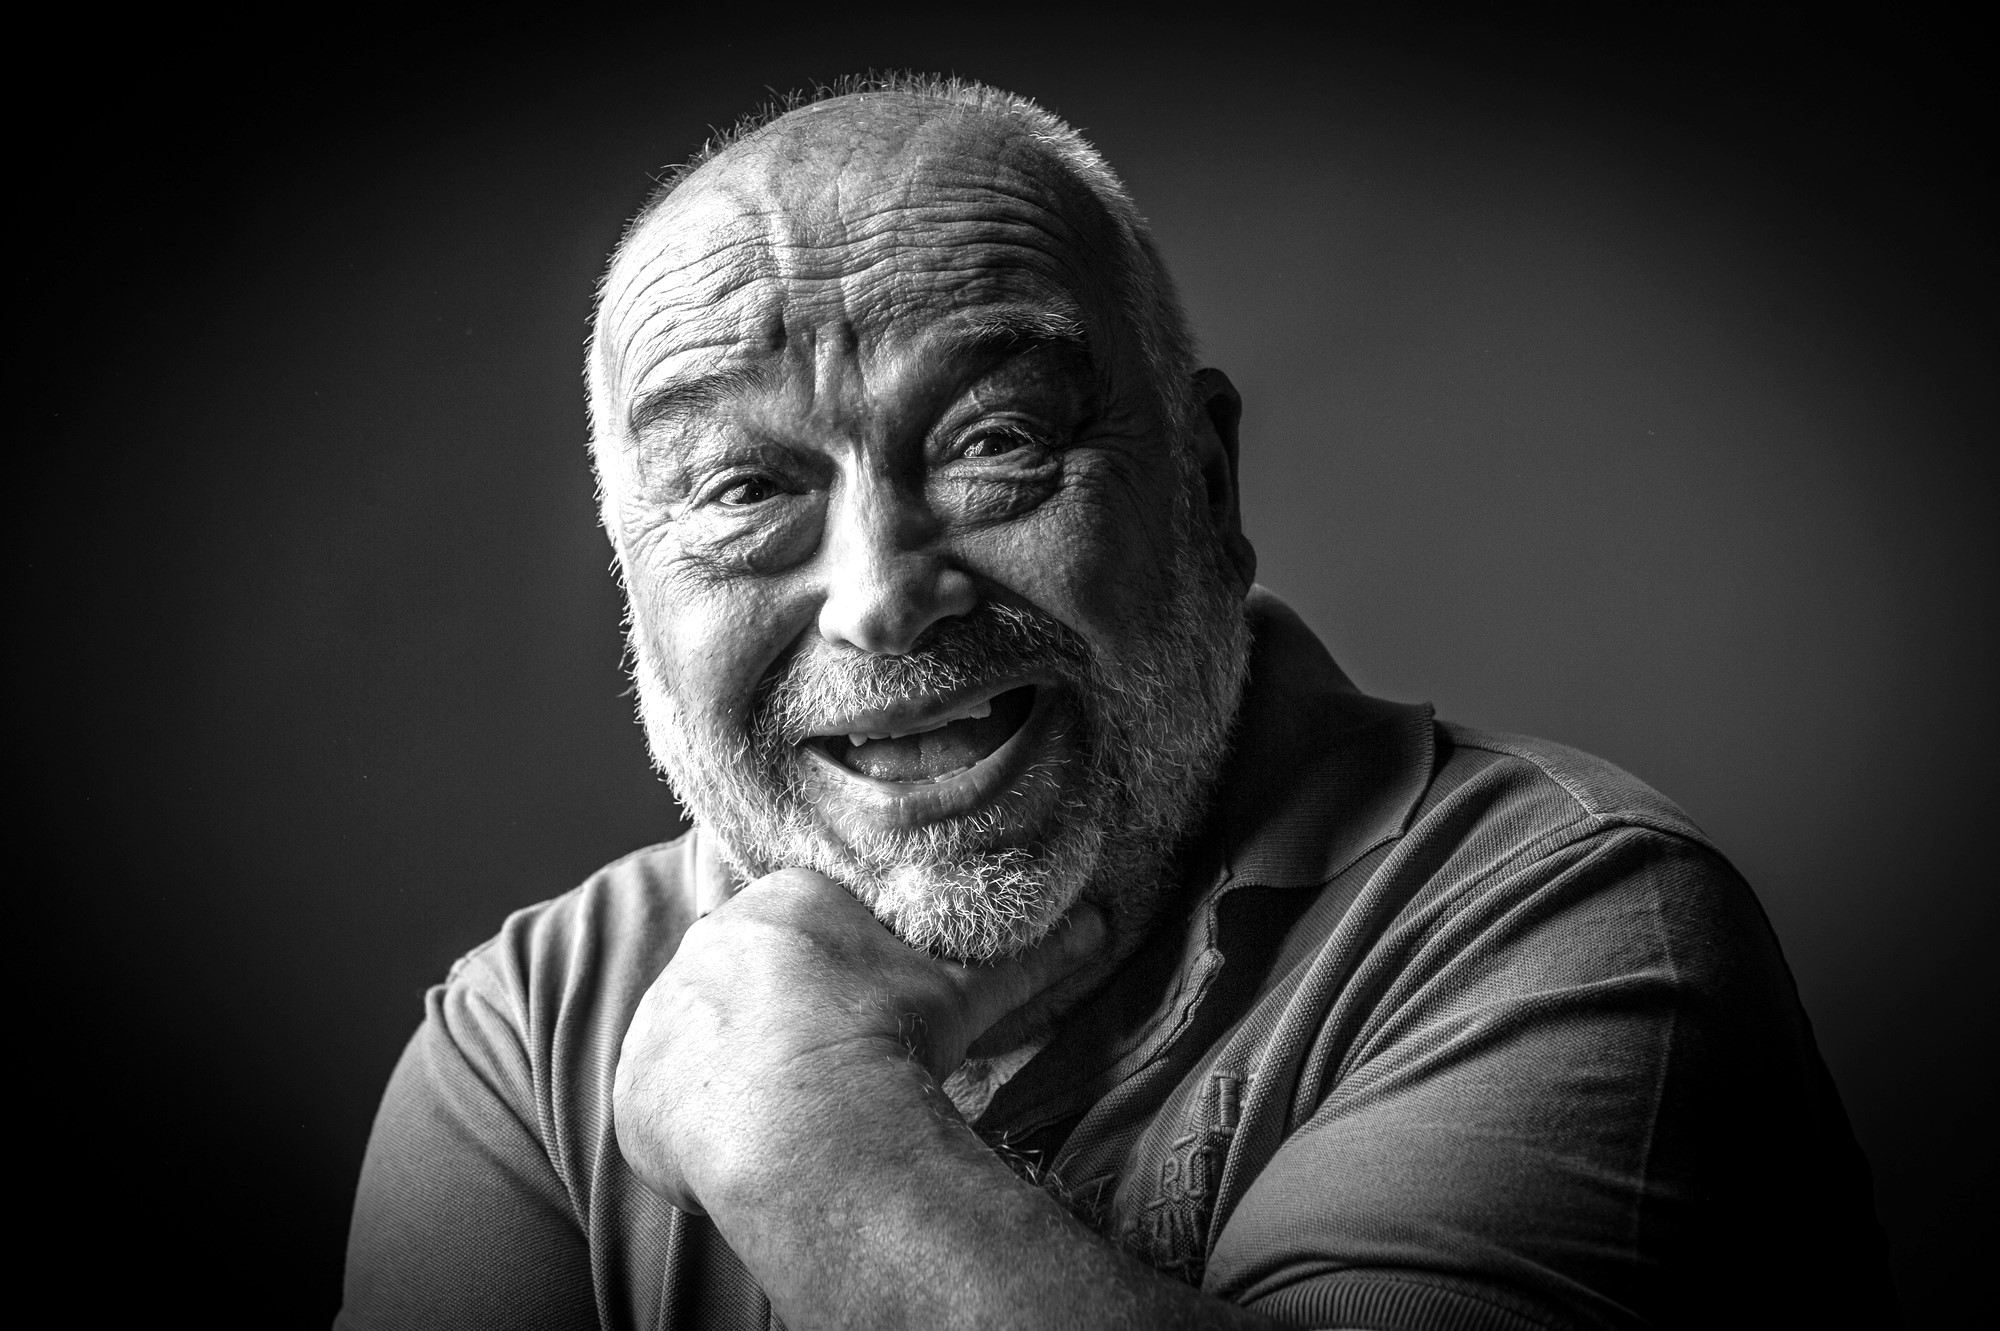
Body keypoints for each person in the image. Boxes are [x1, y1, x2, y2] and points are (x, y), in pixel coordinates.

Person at [338, 76, 1895, 1330]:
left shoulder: (1578, 930)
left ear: (1204, 489)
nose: (882, 595)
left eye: (995, 440)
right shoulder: (529, 1039)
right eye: (742, 489)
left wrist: (808, 1137)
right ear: (637, 586)